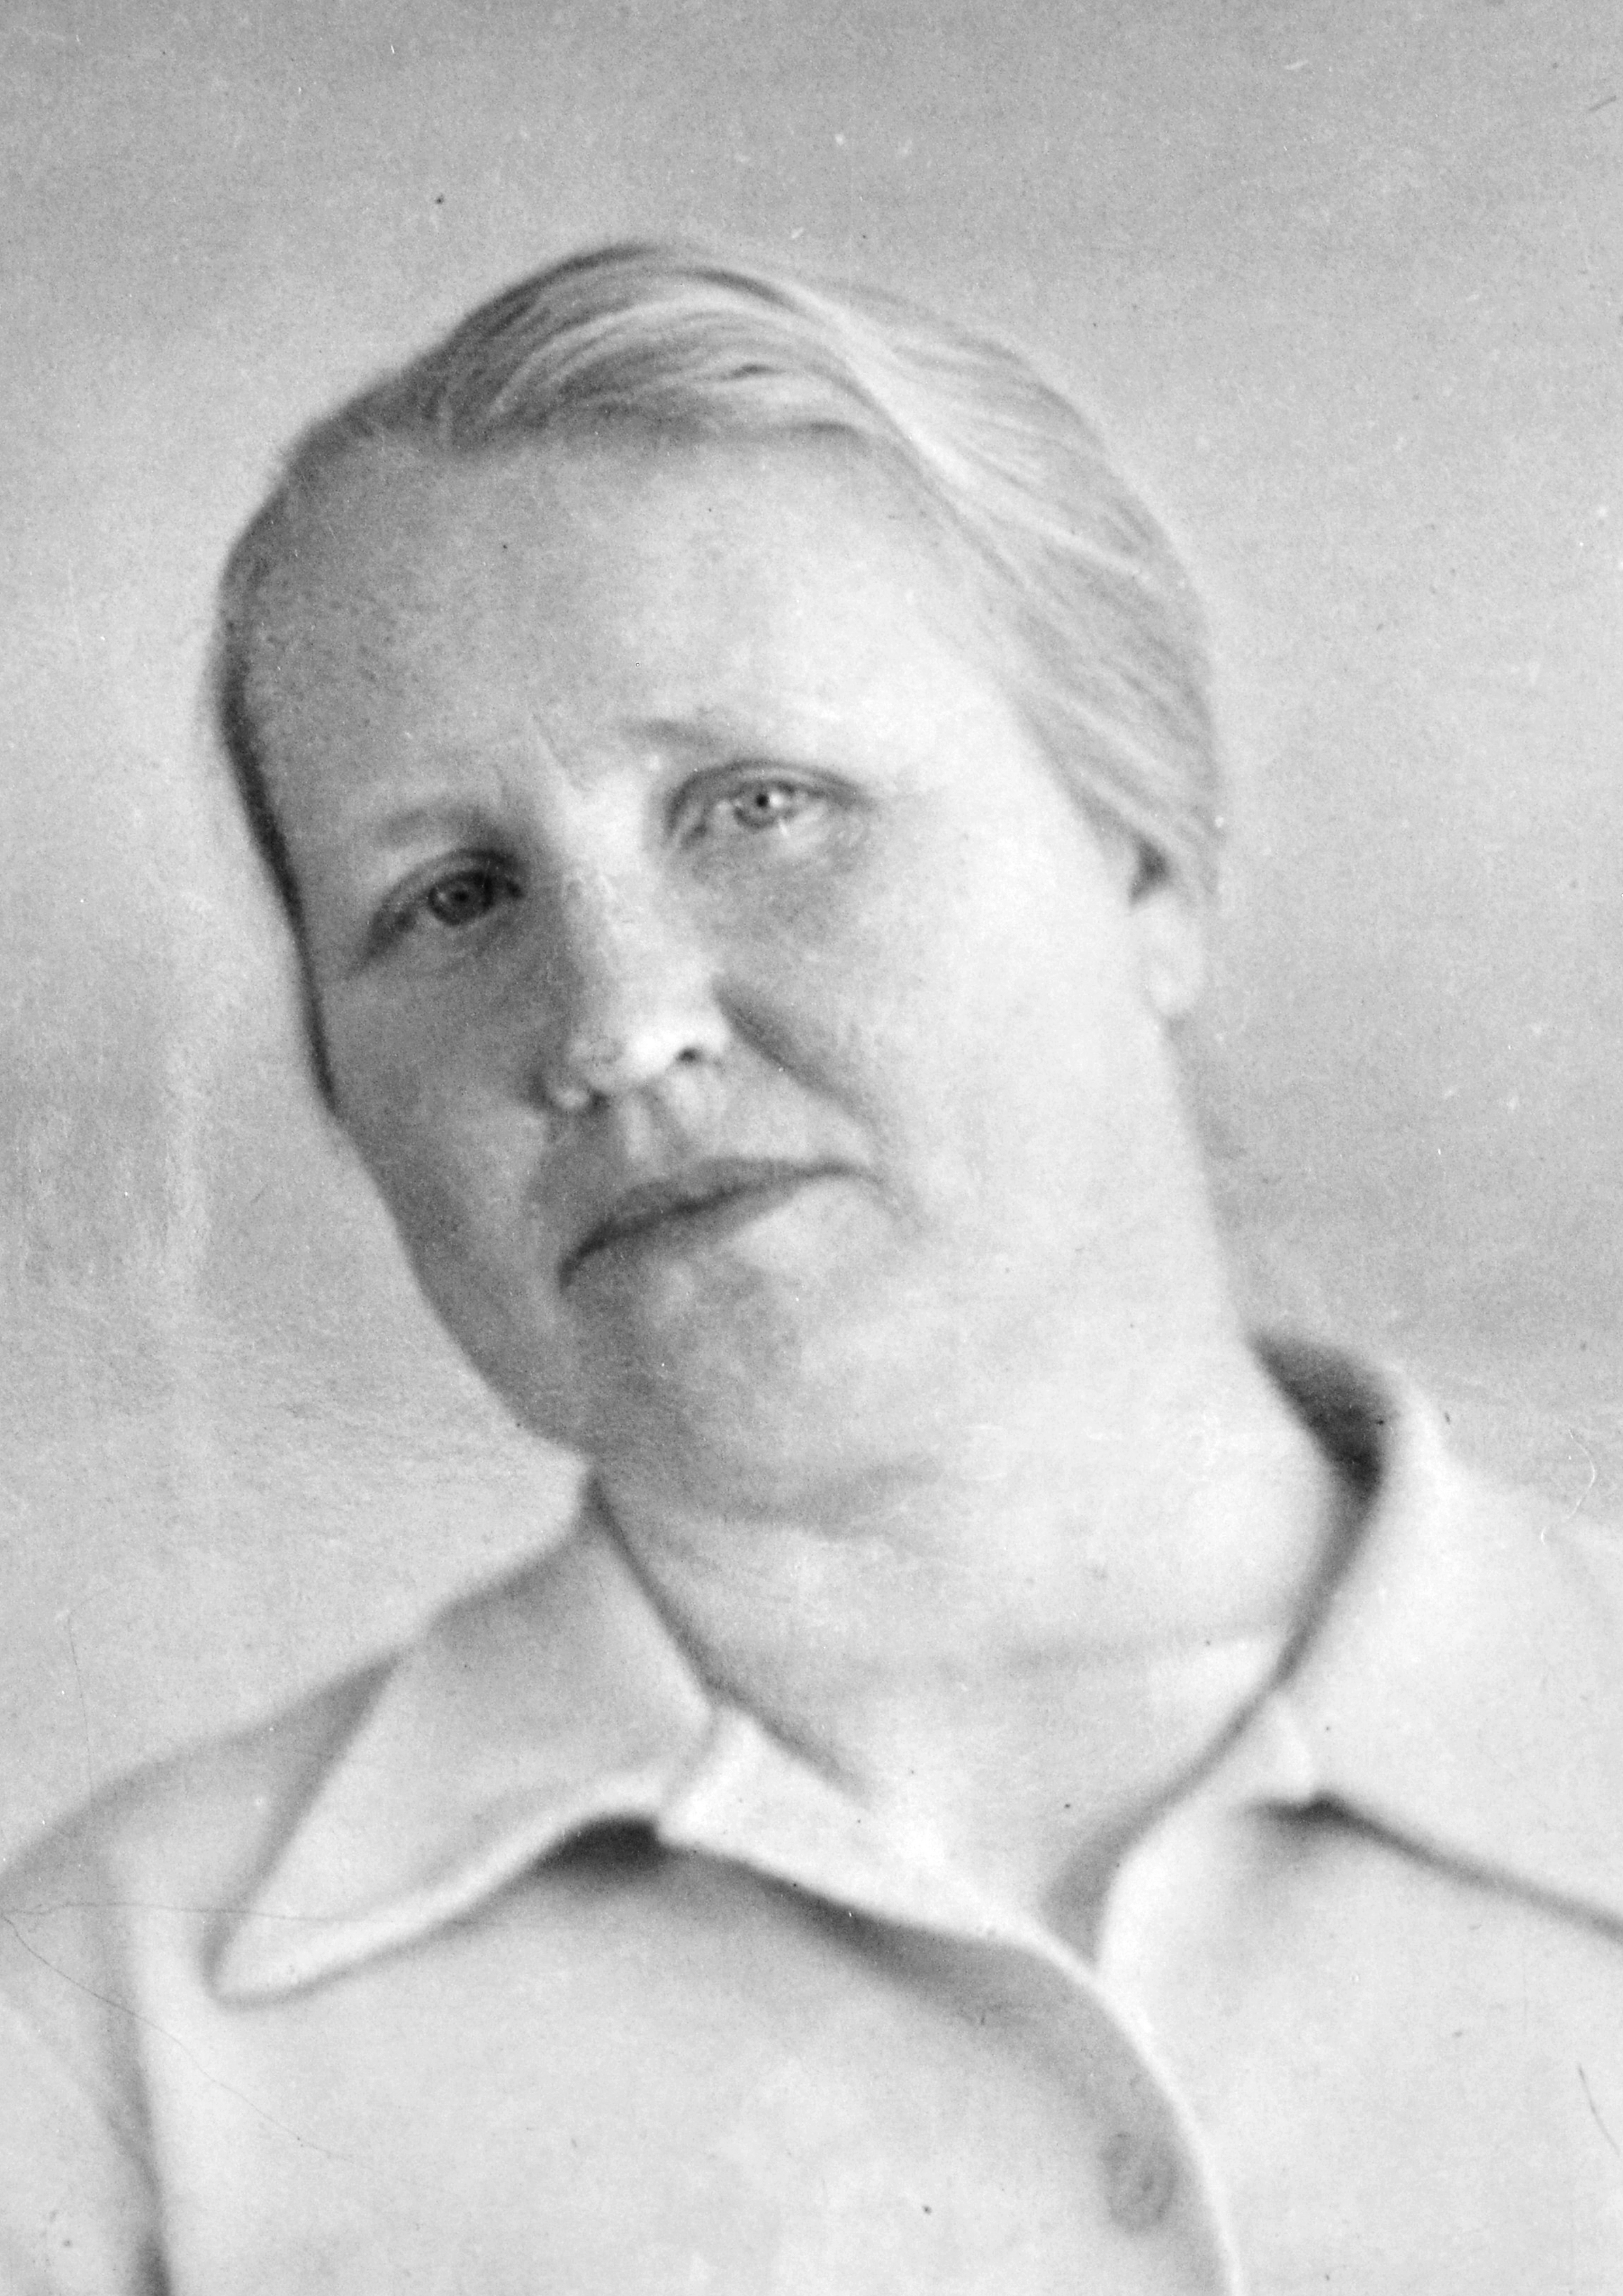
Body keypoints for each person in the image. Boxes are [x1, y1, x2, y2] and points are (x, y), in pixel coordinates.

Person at [2, 242, 1620, 2296]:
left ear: (1142, 860)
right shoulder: (106, 2051)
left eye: (759, 806)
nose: (616, 1025)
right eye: (456, 896)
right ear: (335, 1075)